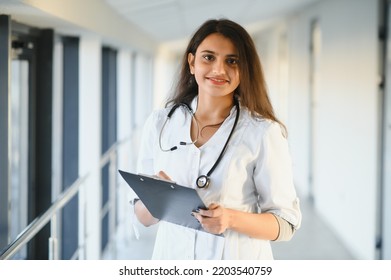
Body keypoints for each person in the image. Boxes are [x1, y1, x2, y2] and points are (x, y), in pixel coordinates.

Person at [134, 18, 301, 260]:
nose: (219, 70)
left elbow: (285, 224)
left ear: (245, 70)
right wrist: (159, 201)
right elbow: (141, 215)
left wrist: (231, 218)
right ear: (192, 63)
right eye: (208, 57)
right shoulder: (161, 124)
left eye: (232, 61)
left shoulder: (263, 131)